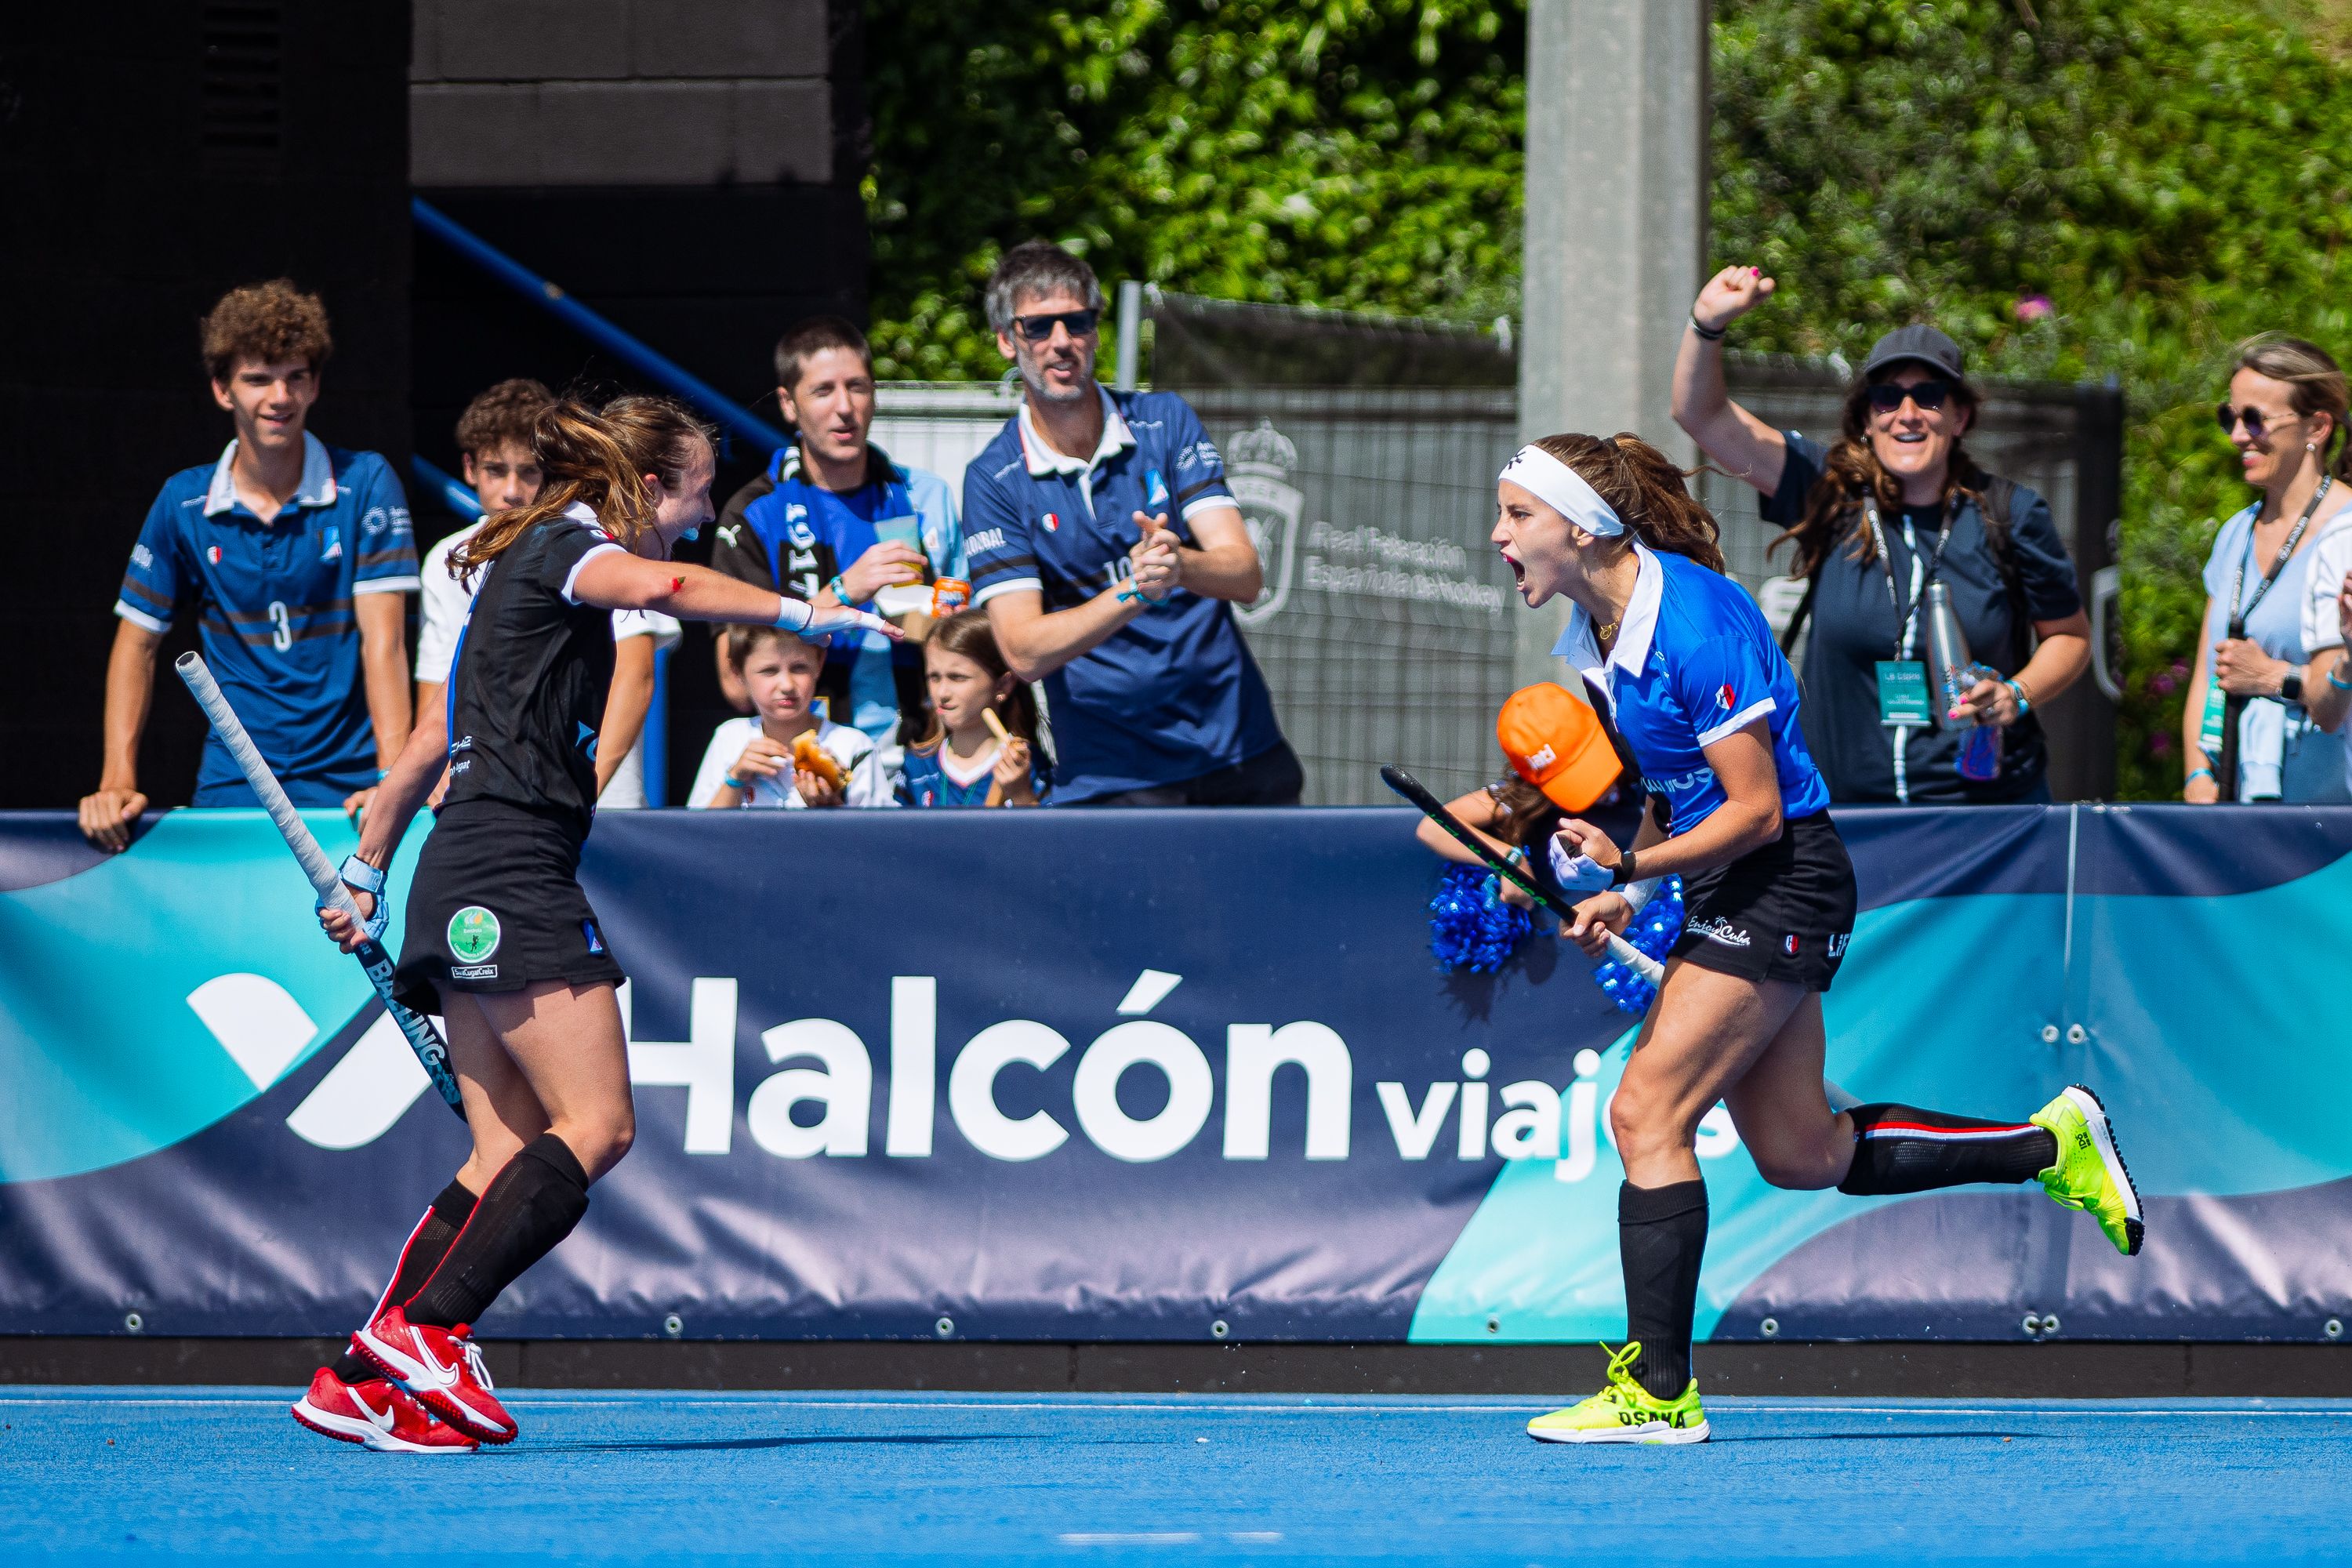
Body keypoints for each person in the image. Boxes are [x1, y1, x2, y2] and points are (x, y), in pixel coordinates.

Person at [1487, 432, 2141, 1447]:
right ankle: (2052, 1143)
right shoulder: (1597, 633)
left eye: (1517, 514)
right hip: (1740, 880)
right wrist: (1632, 887)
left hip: (1784, 875)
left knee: (1645, 1112)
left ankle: (1659, 1392)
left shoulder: (1693, 623)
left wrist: (1631, 866)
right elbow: (1675, 785)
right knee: (1802, 1152)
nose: (1499, 535)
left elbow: (1754, 810)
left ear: (1582, 525)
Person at [303, 395, 895, 1450]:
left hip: (462, 865)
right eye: (699, 495)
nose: (703, 519)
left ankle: (362, 1373)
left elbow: (435, 737)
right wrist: (814, 613)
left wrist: (365, 869)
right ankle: (430, 1331)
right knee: (599, 1124)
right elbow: (669, 585)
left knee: (503, 1151)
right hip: (511, 867)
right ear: (650, 486)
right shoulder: (567, 547)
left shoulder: (516, 562)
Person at [1671, 267, 2091, 804]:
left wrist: (2017, 693)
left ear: (1960, 416)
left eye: (1929, 396)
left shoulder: (2010, 513)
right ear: (1867, 419)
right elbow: (1701, 415)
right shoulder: (1830, 491)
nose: (1907, 415)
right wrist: (1707, 326)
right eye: (1887, 398)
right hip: (1852, 817)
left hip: (1986, 816)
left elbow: (2071, 638)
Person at [964, 241, 1301, 805]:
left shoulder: (1165, 421)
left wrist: (1180, 564)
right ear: (1006, 340)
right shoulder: (993, 478)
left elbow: (1245, 574)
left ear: (1096, 331)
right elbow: (1023, 651)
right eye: (1038, 327)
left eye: (1077, 321)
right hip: (1111, 776)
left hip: (1236, 751)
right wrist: (1137, 590)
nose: (1061, 341)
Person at [82, 280, 416, 849]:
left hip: (351, 783)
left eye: (295, 377)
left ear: (315, 386)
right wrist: (117, 781)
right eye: (258, 379)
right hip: (234, 782)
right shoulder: (183, 502)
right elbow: (136, 644)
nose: (280, 397)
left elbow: (383, 643)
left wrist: (391, 779)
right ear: (222, 390)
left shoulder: (366, 481)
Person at [415, 379, 681, 807]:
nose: (512, 490)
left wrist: (585, 793)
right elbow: (438, 697)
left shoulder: (603, 539)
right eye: (495, 470)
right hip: (492, 807)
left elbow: (636, 675)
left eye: (530, 471)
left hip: (600, 803)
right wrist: (442, 791)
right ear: (469, 468)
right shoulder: (447, 559)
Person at [710, 315, 963, 744]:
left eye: (857, 387)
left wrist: (950, 624)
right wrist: (842, 594)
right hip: (810, 756)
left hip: (920, 750)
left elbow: (971, 641)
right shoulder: (754, 513)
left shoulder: (925, 496)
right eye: (823, 390)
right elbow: (735, 684)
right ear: (789, 404)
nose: (845, 407)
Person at [2179, 336, 2352, 802]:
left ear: (2317, 426)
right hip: (2237, 811)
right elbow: (2206, 676)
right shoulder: (2235, 533)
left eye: (2255, 418)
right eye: (2229, 417)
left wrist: (2272, 676)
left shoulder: (2347, 534)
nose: (2238, 436)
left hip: (2330, 815)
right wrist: (2197, 779)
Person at [1414, 682, 1628, 909]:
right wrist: (1509, 858)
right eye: (1573, 778)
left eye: (1590, 760)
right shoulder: (1527, 795)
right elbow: (1432, 827)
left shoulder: (1639, 752)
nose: (1597, 785)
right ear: (1538, 783)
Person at [688, 625, 895, 809]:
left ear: (820, 663)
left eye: (799, 668)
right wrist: (735, 778)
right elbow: (696, 832)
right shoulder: (730, 738)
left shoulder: (855, 747)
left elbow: (880, 834)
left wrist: (832, 807)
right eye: (769, 671)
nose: (787, 685)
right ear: (737, 673)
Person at [895, 608, 1046, 808]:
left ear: (1003, 685)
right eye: (934, 677)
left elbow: (1050, 828)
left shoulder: (1027, 765)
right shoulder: (917, 766)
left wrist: (1021, 795)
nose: (942, 693)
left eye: (958, 677)